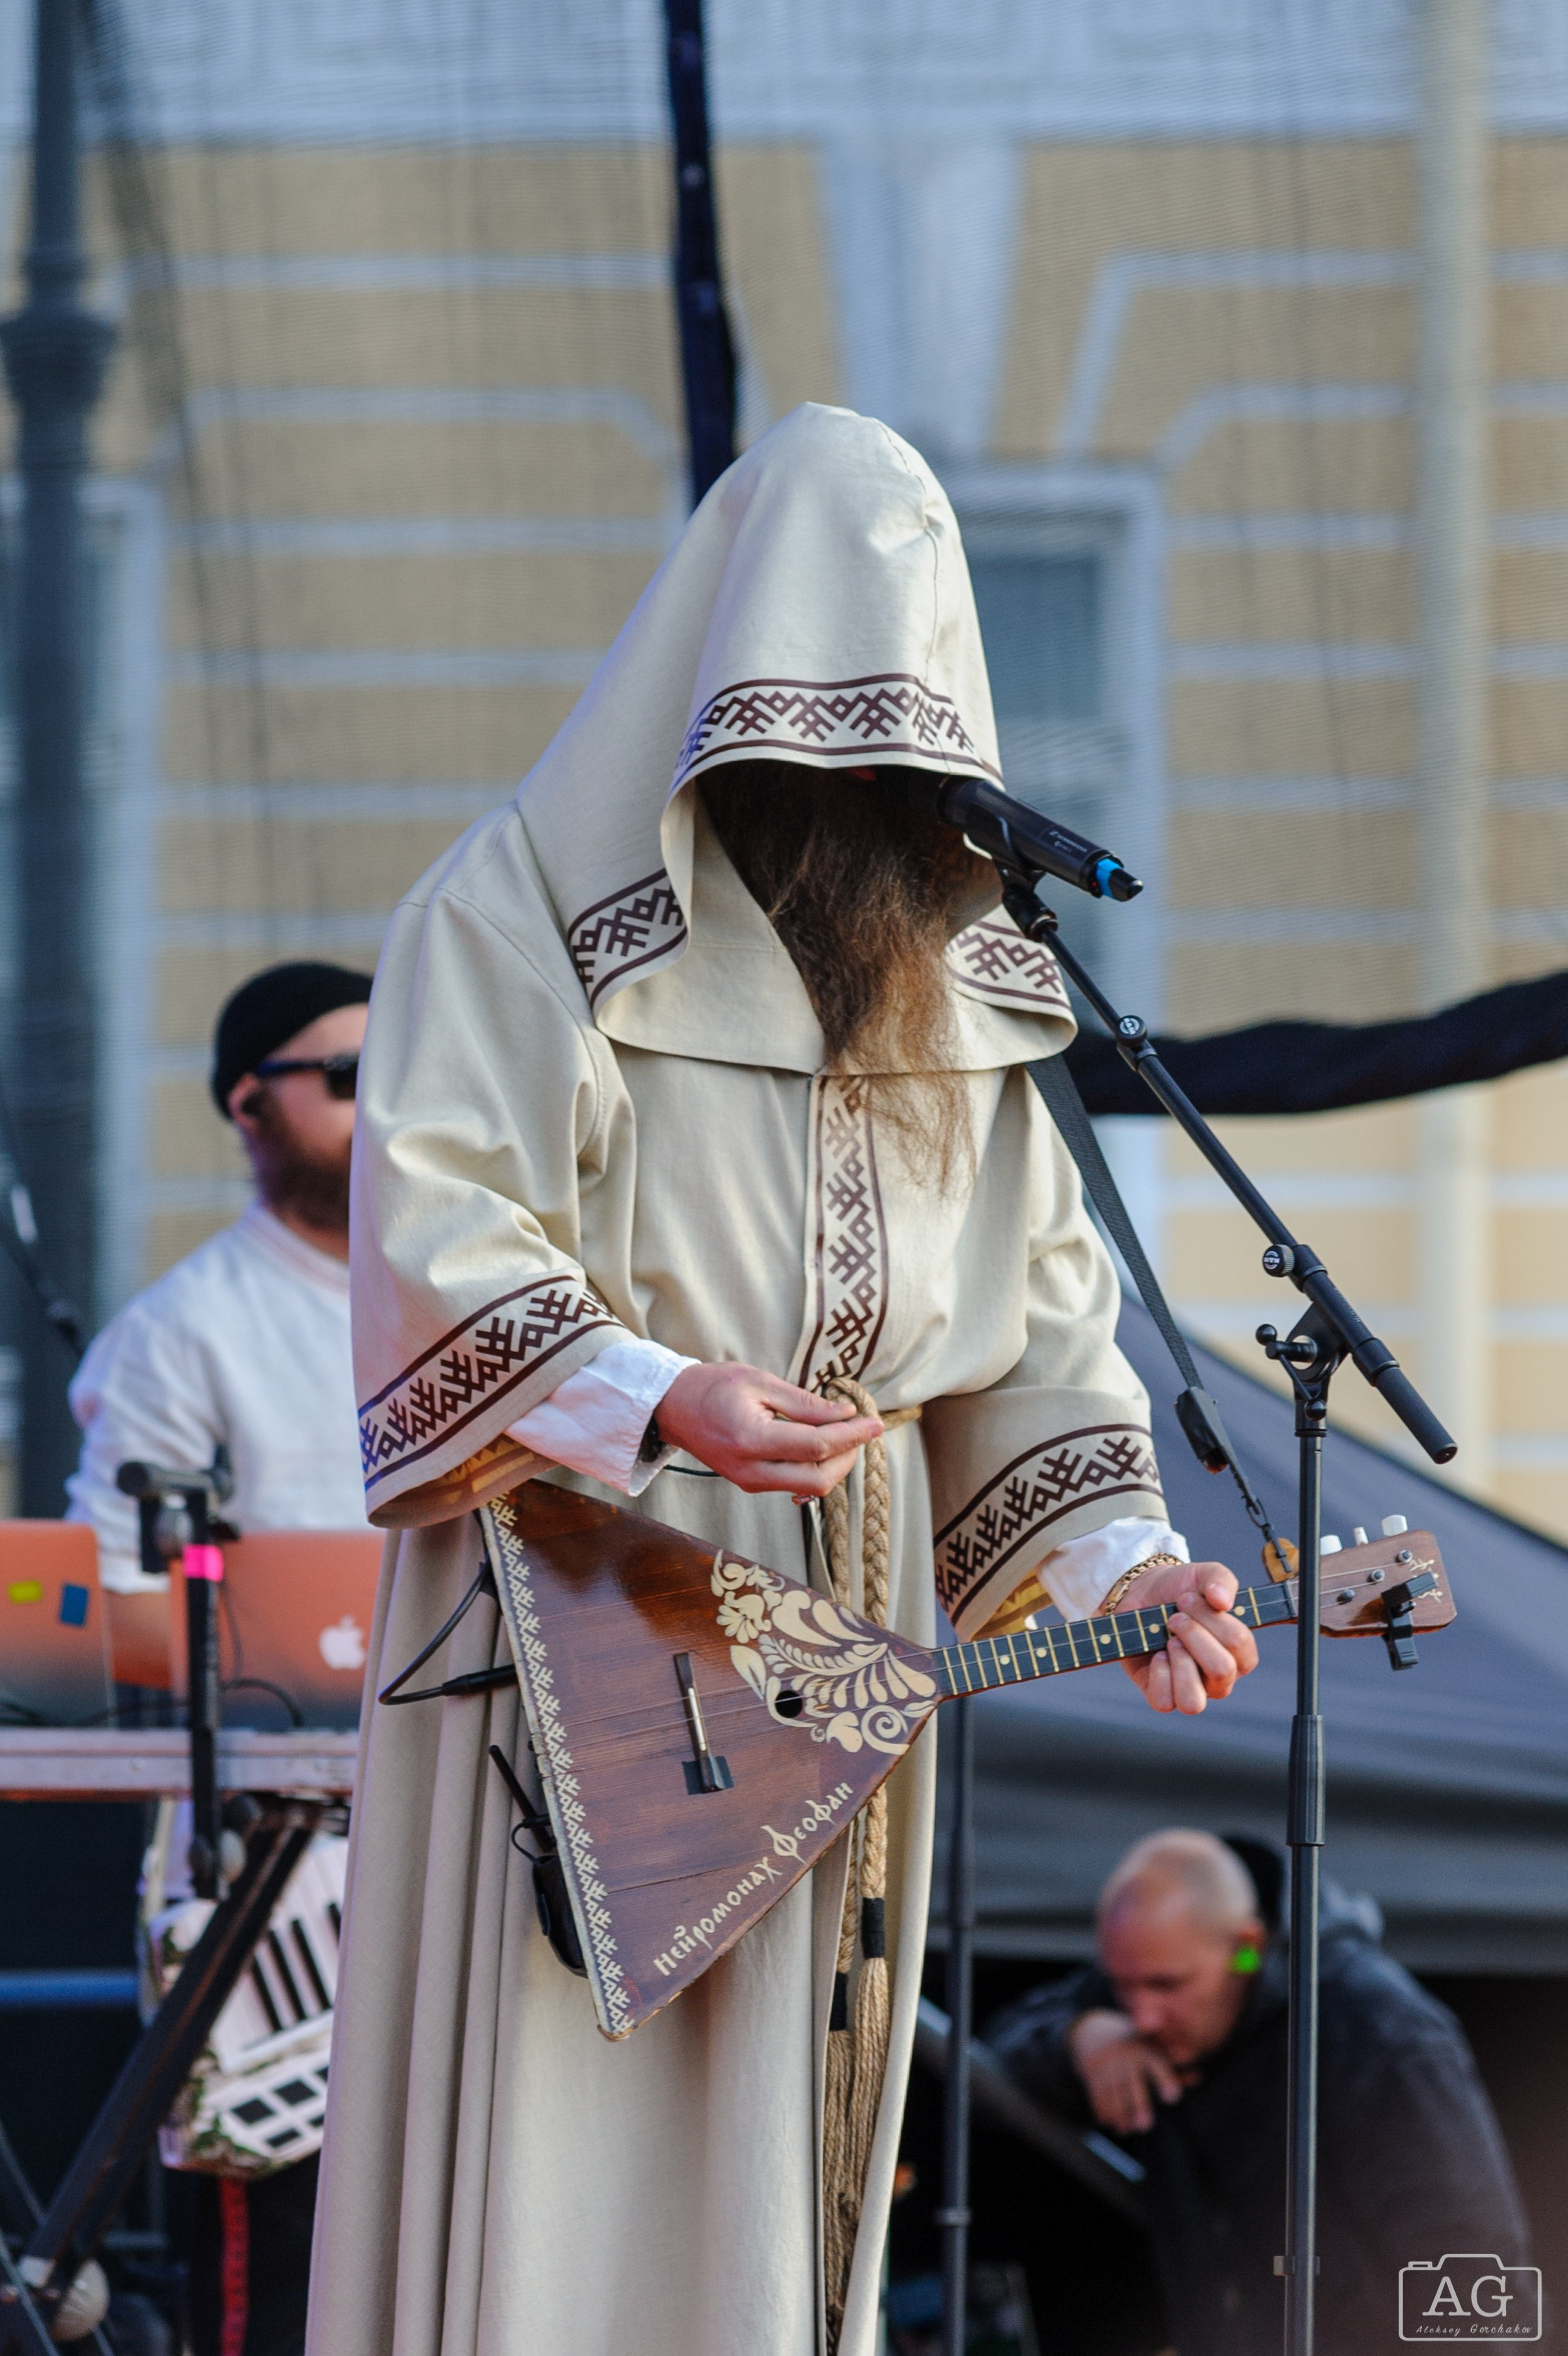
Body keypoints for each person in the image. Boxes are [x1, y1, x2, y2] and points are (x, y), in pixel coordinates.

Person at [309, 403, 1259, 2356]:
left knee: (793, 2114)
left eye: (903, 736)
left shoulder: (974, 981)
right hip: (593, 1576)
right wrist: (663, 1397)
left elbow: (1042, 1339)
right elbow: (439, 1229)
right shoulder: (525, 913)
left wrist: (1122, 1568)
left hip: (852, 1589)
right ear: (720, 687)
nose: (866, 780)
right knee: (563, 2107)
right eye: (815, 731)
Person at [67, 958, 375, 2356]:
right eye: (351, 1078)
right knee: (289, 2269)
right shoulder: (185, 1333)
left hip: (475, 1838)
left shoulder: (468, 1306)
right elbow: (113, 1611)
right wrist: (308, 1643)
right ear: (250, 1104)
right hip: (277, 1875)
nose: (390, 1110)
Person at [987, 1828, 1530, 2356]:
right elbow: (994, 2059)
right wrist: (1079, 2035)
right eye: (1122, 1986)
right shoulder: (1145, 1983)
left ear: (1246, 1948)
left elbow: (1473, 2264)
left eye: (1166, 1986)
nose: (1142, 2016)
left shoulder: (1377, 2030)